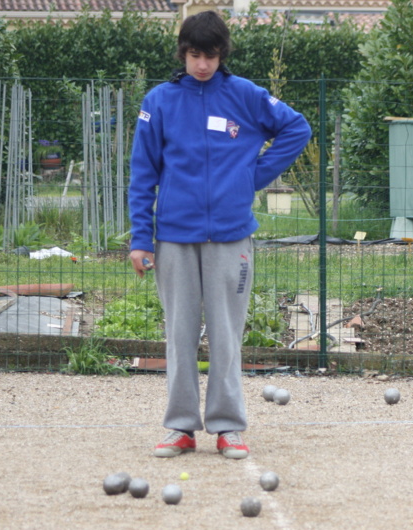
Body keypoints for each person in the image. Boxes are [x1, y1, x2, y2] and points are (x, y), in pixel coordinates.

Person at [127, 11, 311, 459]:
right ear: (183, 54)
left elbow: (296, 128)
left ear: (221, 54)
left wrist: (253, 176)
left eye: (210, 55)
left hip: (231, 236)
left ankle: (228, 427)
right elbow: (142, 172)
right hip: (173, 237)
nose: (202, 65)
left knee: (227, 335)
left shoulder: (245, 95)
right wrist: (139, 237)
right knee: (180, 334)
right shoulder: (160, 101)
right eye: (194, 55)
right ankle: (181, 427)